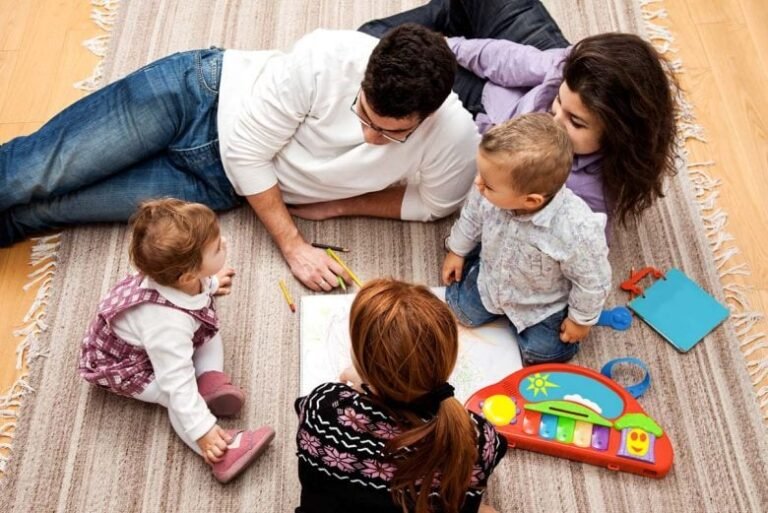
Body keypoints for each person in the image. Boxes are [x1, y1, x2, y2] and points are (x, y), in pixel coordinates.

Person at [0, 24, 479, 291]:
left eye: (392, 134)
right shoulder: (325, 56)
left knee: (48, 210)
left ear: (429, 113)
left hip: (217, 186)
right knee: (37, 174)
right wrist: (293, 244)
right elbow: (248, 151)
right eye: (364, 116)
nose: (370, 138)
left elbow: (432, 205)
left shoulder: (455, 135)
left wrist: (339, 205)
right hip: (198, 96)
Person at [360, 0, 678, 233]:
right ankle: (451, 18)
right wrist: (445, 48)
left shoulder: (582, 196)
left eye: (576, 122)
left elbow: (583, 251)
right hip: (530, 67)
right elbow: (511, 61)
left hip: (487, 106)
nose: (553, 121)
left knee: (369, 44)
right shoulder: (571, 71)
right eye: (558, 103)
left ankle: (450, 19)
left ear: (618, 135)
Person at [78, 198, 274, 483]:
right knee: (176, 397)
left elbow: (199, 292)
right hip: (128, 366)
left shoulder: (180, 277)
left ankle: (210, 380)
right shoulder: (166, 324)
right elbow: (177, 384)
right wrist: (203, 431)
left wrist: (212, 281)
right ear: (188, 276)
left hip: (158, 339)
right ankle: (222, 454)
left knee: (208, 328)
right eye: (218, 248)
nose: (226, 243)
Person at [294, 278, 507, 513]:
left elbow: (305, 412)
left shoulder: (322, 408)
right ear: (448, 359)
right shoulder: (478, 437)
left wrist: (361, 384)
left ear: (360, 360)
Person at [442, 114, 611, 365]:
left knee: (541, 355)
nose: (478, 184)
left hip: (542, 304)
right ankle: (475, 264)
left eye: (488, 184)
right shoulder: (486, 190)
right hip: (491, 281)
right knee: (460, 311)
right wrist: (457, 250)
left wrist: (580, 319)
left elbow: (593, 281)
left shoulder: (578, 230)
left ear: (531, 200)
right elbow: (472, 217)